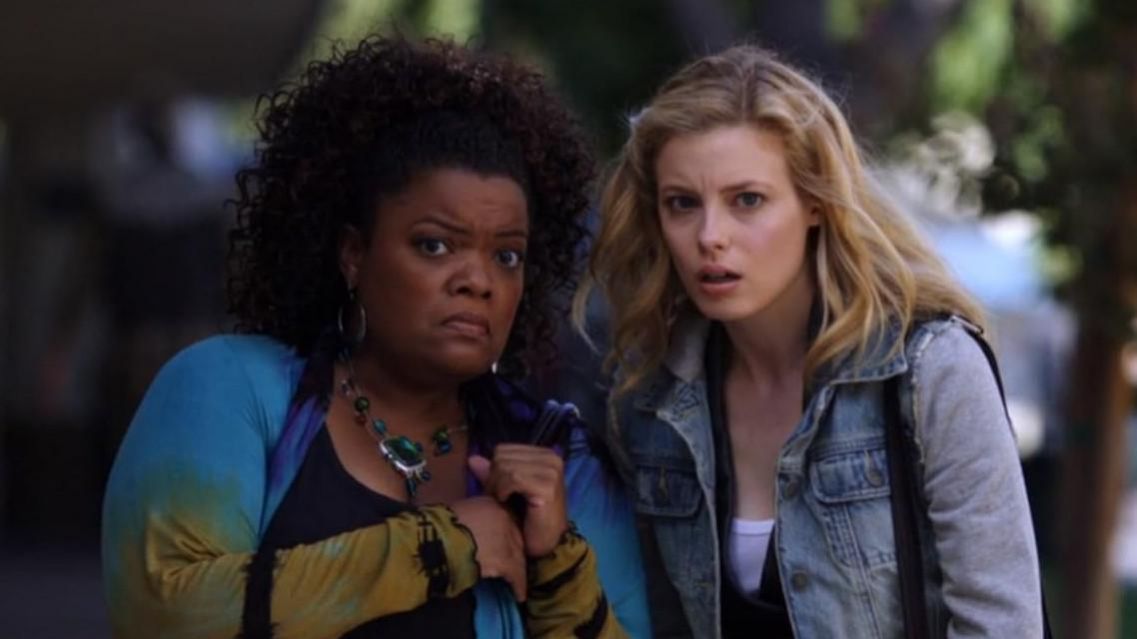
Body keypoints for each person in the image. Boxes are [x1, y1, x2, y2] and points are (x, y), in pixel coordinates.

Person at [101, 35, 650, 639]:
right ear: (354, 254)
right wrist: (444, 545)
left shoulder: (558, 459)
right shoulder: (229, 390)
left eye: (508, 256)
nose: (478, 281)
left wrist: (559, 571)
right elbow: (164, 613)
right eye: (434, 245)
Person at [578, 45, 1044, 637]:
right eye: (683, 204)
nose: (710, 236)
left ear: (816, 202)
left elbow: (1002, 623)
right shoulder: (652, 401)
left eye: (747, 200)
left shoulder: (929, 369)